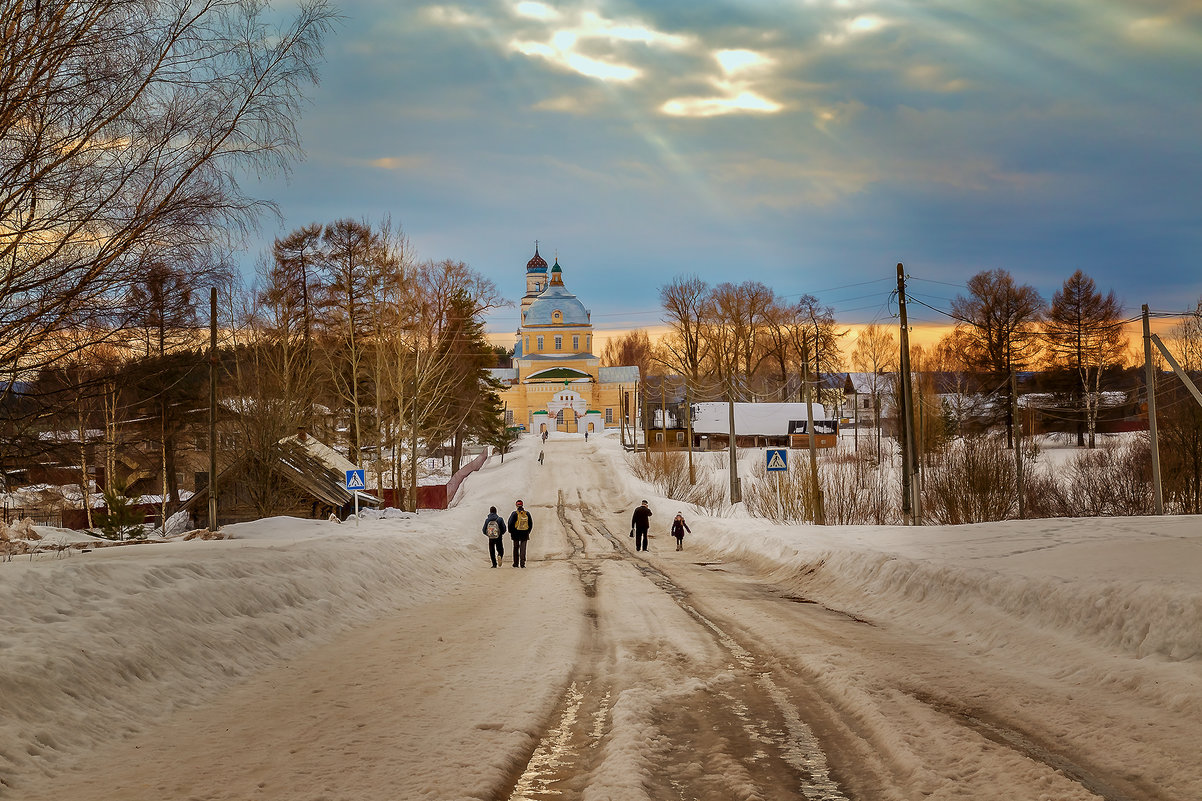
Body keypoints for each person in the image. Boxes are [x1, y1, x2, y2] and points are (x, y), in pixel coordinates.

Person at [507, 499, 533, 568]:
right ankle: (522, 564)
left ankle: (515, 563)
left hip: (515, 534)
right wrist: (528, 532)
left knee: (516, 548)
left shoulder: (514, 513)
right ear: (522, 505)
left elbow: (510, 523)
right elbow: (530, 524)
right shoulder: (527, 513)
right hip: (524, 533)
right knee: (523, 549)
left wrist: (511, 532)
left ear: (516, 505)